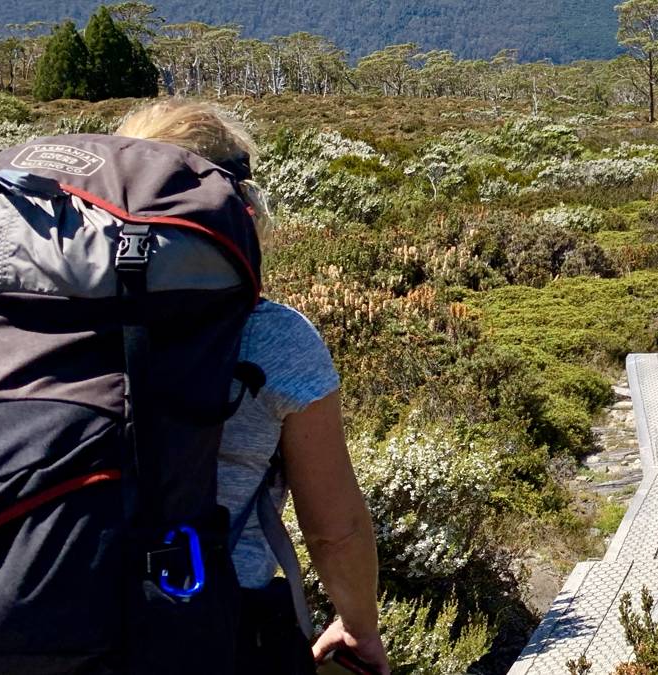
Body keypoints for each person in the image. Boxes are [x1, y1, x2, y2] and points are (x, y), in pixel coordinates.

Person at [115, 100, 391, 674]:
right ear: (240, 209)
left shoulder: (28, 317)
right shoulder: (272, 337)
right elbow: (333, 529)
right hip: (211, 624)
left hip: (38, 603)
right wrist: (359, 628)